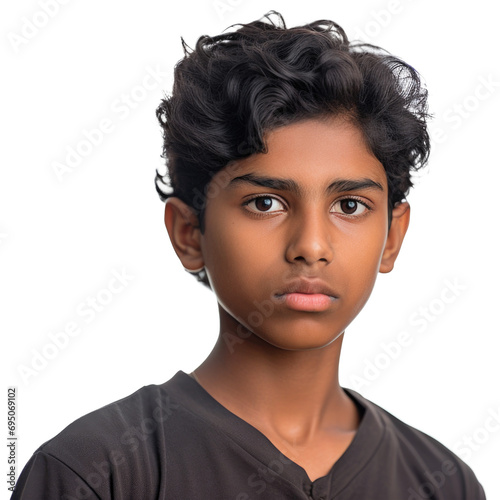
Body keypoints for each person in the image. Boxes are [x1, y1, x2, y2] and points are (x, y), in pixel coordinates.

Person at [11, 11, 486, 500]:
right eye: (266, 203)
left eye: (349, 206)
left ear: (391, 236)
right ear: (190, 233)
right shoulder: (97, 472)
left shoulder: (445, 484)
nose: (311, 246)